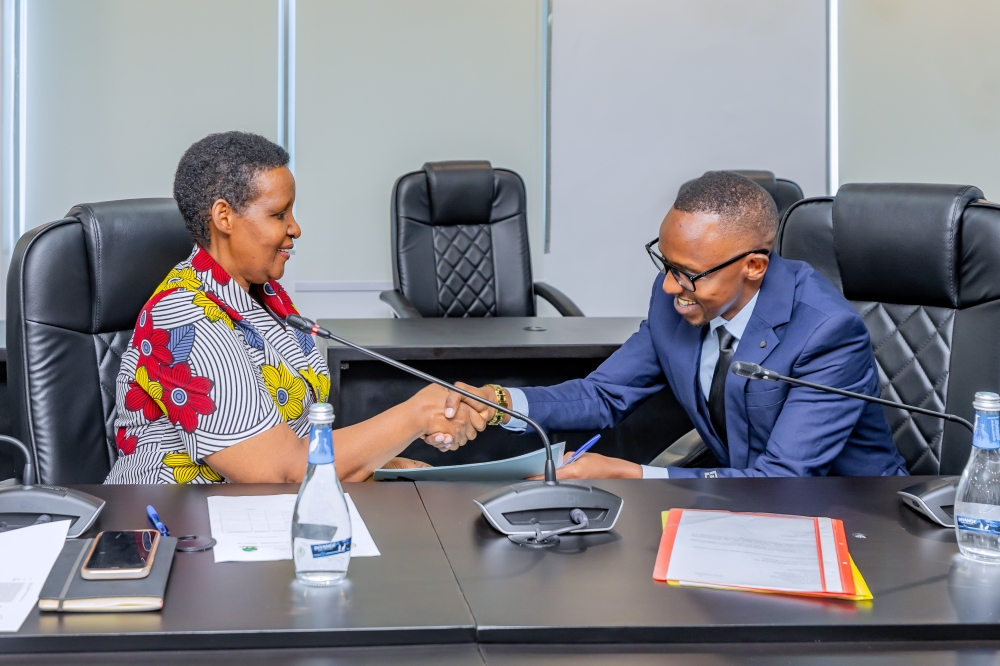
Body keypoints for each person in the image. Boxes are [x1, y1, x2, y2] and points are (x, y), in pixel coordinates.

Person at [441, 171, 908, 479]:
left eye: (688, 273)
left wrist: (634, 475)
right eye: (664, 263)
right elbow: (604, 394)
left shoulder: (826, 333)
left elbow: (782, 480)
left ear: (754, 266)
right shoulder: (679, 300)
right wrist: (499, 402)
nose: (668, 286)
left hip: (853, 520)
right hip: (741, 506)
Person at [105, 132, 483, 484]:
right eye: (278, 214)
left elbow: (297, 435)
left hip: (256, 514)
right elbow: (277, 470)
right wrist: (414, 416)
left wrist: (383, 460)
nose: (295, 228)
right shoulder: (186, 319)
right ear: (224, 217)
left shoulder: (265, 296)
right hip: (174, 525)